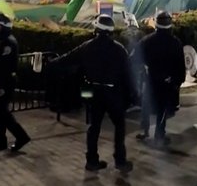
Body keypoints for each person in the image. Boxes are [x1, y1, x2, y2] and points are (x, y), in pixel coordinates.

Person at [50, 15, 134, 173]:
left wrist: (49, 63)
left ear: (96, 29)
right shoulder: (119, 49)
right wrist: (130, 96)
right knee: (120, 126)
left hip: (92, 91)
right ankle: (120, 161)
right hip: (112, 92)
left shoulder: (87, 46)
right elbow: (128, 75)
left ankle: (92, 161)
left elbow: (67, 59)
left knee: (93, 126)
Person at [0, 13, 31, 152]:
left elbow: (5, 67)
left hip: (5, 82)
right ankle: (0, 140)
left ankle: (20, 136)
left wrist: (1, 86)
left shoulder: (7, 43)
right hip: (4, 81)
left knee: (2, 112)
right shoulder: (5, 41)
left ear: (3, 27)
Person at [137, 11, 185, 145]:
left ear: (156, 25)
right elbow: (180, 65)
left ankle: (144, 131)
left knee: (146, 106)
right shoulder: (175, 43)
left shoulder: (147, 41)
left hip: (150, 79)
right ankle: (159, 134)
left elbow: (135, 58)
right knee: (162, 109)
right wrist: (178, 81)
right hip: (167, 82)